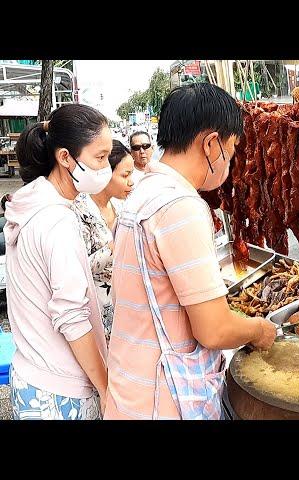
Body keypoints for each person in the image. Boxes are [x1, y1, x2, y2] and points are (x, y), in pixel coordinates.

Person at [104, 83, 277, 420]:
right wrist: (259, 329)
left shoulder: (143, 192)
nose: (230, 161)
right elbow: (214, 330)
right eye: (231, 149)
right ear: (211, 144)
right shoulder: (180, 205)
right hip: (161, 401)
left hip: (131, 389)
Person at [4, 104, 111, 420]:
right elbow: (72, 317)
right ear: (66, 158)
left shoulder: (32, 200)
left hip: (31, 377)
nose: (105, 167)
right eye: (100, 158)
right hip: (59, 393)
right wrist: (105, 389)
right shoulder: (56, 222)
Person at [72, 140, 134, 345]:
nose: (131, 182)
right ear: (106, 173)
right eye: (125, 175)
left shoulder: (120, 206)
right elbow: (75, 269)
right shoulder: (79, 210)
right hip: (93, 316)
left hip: (122, 309)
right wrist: (113, 247)